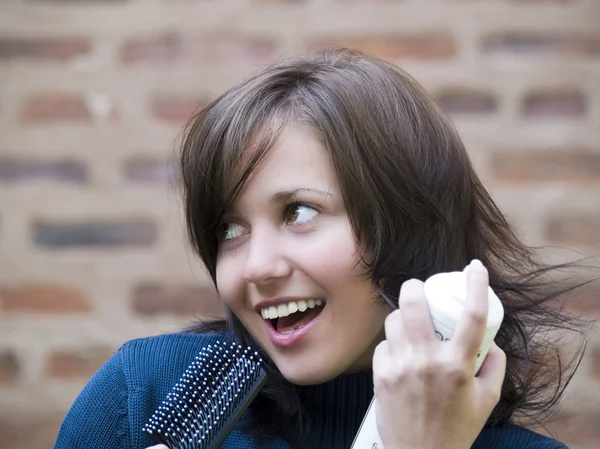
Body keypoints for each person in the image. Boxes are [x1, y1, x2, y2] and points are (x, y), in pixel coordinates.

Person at [54, 48, 587, 449]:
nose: (256, 267)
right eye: (229, 230)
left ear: (406, 225)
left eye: (299, 213)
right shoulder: (140, 397)